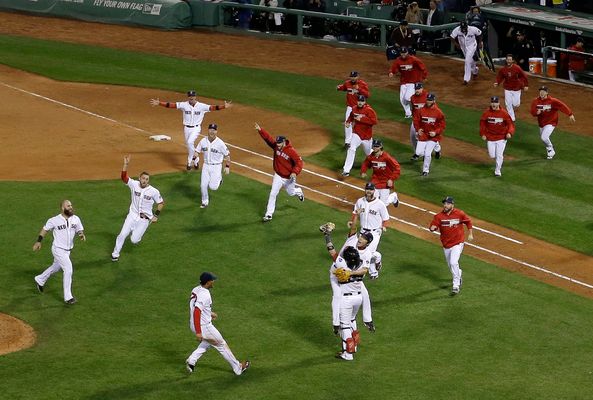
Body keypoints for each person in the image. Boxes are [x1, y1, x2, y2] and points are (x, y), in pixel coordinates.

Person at [186, 272, 251, 375]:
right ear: (208, 282)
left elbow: (195, 308)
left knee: (209, 342)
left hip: (193, 324)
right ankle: (238, 367)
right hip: (203, 327)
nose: (214, 282)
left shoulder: (196, 289)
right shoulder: (205, 294)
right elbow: (197, 311)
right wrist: (199, 332)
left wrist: (209, 313)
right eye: (212, 280)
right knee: (221, 344)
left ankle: (192, 360)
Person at [321, 225, 379, 338]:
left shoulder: (341, 262)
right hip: (353, 290)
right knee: (347, 298)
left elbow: (331, 250)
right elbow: (365, 268)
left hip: (344, 284)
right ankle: (339, 324)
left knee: (341, 297)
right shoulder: (358, 263)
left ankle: (341, 324)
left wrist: (327, 235)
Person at [150, 90, 232, 170]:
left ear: (195, 97)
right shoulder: (184, 105)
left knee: (190, 142)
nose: (191, 98)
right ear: (188, 97)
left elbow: (213, 107)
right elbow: (172, 105)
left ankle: (189, 161)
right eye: (190, 96)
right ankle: (196, 161)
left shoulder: (201, 106)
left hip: (196, 128)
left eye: (193, 96)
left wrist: (224, 106)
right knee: (189, 146)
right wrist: (159, 103)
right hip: (186, 128)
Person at [111, 155, 164, 261]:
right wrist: (125, 164)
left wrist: (156, 215)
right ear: (139, 178)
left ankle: (137, 236)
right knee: (122, 234)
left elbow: (161, 203)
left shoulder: (153, 191)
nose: (144, 180)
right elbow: (124, 178)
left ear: (148, 181)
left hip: (144, 220)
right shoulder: (134, 184)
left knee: (134, 240)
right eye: (143, 178)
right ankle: (115, 254)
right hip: (132, 215)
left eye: (147, 179)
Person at [33, 200, 85, 305]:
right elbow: (45, 229)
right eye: (68, 206)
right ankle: (68, 297)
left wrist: (81, 234)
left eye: (71, 205)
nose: (71, 207)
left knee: (56, 267)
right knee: (68, 269)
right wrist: (38, 241)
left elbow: (79, 229)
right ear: (62, 208)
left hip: (68, 251)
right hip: (58, 249)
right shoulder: (54, 220)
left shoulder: (76, 219)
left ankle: (40, 279)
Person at [254, 123, 304, 222]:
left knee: (291, 193)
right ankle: (269, 214)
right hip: (278, 175)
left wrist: (294, 172)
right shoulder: (276, 146)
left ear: (284, 142)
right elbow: (268, 139)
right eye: (277, 143)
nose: (277, 145)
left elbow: (299, 162)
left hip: (289, 178)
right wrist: (260, 130)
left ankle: (299, 192)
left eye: (279, 143)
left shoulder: (291, 151)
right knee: (273, 194)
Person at [429, 196, 473, 295]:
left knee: (453, 262)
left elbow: (468, 222)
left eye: (448, 203)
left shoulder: (459, 214)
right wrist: (432, 228)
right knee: (451, 265)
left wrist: (470, 234)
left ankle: (456, 286)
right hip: (446, 245)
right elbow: (433, 226)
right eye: (444, 203)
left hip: (458, 242)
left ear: (452, 205)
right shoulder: (439, 216)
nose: (445, 205)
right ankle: (459, 273)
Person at [530, 86, 575, 160]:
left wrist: (570, 114)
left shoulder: (552, 101)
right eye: (541, 91)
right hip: (541, 123)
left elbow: (562, 106)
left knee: (544, 137)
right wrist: (536, 113)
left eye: (544, 91)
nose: (542, 93)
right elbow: (532, 112)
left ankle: (550, 149)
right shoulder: (535, 101)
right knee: (543, 139)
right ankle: (549, 148)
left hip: (551, 122)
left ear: (547, 93)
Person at [194, 123, 231, 208]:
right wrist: (193, 160)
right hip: (206, 166)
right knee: (203, 185)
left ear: (216, 131)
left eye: (214, 130)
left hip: (216, 167)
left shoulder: (220, 143)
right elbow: (197, 151)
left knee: (213, 187)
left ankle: (220, 179)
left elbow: (227, 155)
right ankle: (205, 201)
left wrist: (227, 167)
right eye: (210, 129)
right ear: (208, 130)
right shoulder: (203, 141)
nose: (212, 131)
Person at [348, 182, 390, 256]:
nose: (369, 191)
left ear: (374, 191)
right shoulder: (360, 201)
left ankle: (377, 258)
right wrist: (352, 221)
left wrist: (384, 226)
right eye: (367, 189)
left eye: (371, 189)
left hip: (374, 232)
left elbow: (386, 218)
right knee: (359, 252)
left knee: (369, 254)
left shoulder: (380, 204)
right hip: (362, 231)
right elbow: (355, 212)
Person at [341, 95, 378, 177]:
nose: (360, 102)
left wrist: (362, 119)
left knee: (369, 153)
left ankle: (378, 158)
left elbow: (374, 121)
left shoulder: (369, 110)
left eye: (362, 101)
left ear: (364, 102)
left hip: (367, 137)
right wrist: (348, 122)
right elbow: (351, 117)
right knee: (351, 149)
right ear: (357, 101)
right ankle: (346, 170)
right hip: (356, 134)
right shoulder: (354, 108)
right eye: (359, 101)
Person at [388, 47, 428, 118]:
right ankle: (408, 114)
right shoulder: (398, 60)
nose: (403, 54)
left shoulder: (413, 59)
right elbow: (393, 67)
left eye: (404, 53)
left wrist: (424, 76)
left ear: (407, 52)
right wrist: (391, 72)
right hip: (404, 82)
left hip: (413, 82)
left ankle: (420, 105)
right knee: (402, 99)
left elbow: (423, 67)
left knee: (407, 97)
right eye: (402, 53)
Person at [479, 96, 515, 177]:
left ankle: (497, 170)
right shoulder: (486, 113)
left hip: (501, 137)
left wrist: (510, 133)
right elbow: (482, 124)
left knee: (499, 155)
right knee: (492, 155)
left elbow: (510, 124)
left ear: (498, 103)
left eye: (495, 102)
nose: (493, 104)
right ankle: (496, 162)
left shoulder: (504, 113)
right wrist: (483, 134)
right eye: (492, 102)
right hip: (490, 137)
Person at [360, 139, 401, 207]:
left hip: (386, 182)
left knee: (383, 204)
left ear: (380, 147)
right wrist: (363, 171)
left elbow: (397, 168)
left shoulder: (386, 157)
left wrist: (391, 179)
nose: (375, 148)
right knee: (373, 201)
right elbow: (366, 163)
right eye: (374, 146)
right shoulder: (371, 157)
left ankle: (393, 197)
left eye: (377, 146)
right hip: (375, 181)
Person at [412, 93, 446, 176]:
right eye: (427, 100)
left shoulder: (438, 112)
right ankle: (437, 149)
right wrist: (418, 129)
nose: (428, 101)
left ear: (434, 101)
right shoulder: (421, 110)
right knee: (418, 152)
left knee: (427, 154)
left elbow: (442, 126)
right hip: (423, 134)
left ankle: (425, 171)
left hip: (433, 136)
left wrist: (435, 132)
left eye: (430, 100)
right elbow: (416, 120)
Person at [336, 71, 371, 148]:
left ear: (357, 77)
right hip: (350, 107)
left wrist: (359, 89)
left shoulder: (362, 84)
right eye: (351, 76)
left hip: (361, 108)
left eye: (354, 76)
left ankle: (364, 139)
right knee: (348, 123)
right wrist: (339, 88)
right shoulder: (347, 83)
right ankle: (347, 142)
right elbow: (344, 87)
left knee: (362, 124)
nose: (352, 78)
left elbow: (367, 95)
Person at [409, 82, 442, 160]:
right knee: (413, 136)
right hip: (417, 120)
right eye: (416, 89)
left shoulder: (427, 97)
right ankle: (417, 154)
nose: (417, 90)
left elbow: (434, 109)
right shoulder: (412, 98)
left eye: (418, 89)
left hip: (427, 120)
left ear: (422, 88)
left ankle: (437, 150)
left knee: (430, 137)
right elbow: (413, 109)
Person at [494, 54, 529, 122]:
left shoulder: (517, 68)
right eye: (508, 59)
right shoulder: (503, 69)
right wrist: (497, 82)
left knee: (516, 104)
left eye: (510, 60)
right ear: (506, 60)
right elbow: (500, 77)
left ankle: (516, 105)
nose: (509, 61)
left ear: (512, 60)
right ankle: (512, 118)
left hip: (516, 88)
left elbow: (524, 76)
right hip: (507, 88)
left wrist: (526, 85)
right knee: (508, 104)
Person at [450, 21, 482, 85]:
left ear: (467, 27)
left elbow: (480, 34)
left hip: (472, 46)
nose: (463, 29)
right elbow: (452, 37)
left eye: (464, 28)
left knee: (467, 61)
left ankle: (466, 79)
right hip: (463, 47)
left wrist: (480, 43)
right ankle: (475, 70)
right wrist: (456, 44)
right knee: (471, 61)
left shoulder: (472, 29)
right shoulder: (457, 30)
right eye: (462, 28)